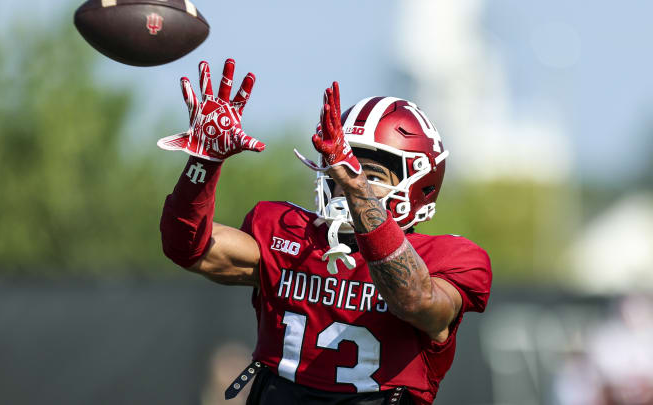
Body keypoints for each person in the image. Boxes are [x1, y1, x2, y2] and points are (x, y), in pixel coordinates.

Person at [157, 58, 492, 405]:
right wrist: (204, 161)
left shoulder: (451, 259)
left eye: (370, 173)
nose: (344, 179)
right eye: (338, 165)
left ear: (419, 186)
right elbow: (188, 248)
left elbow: (415, 301)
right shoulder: (287, 233)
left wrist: (354, 181)